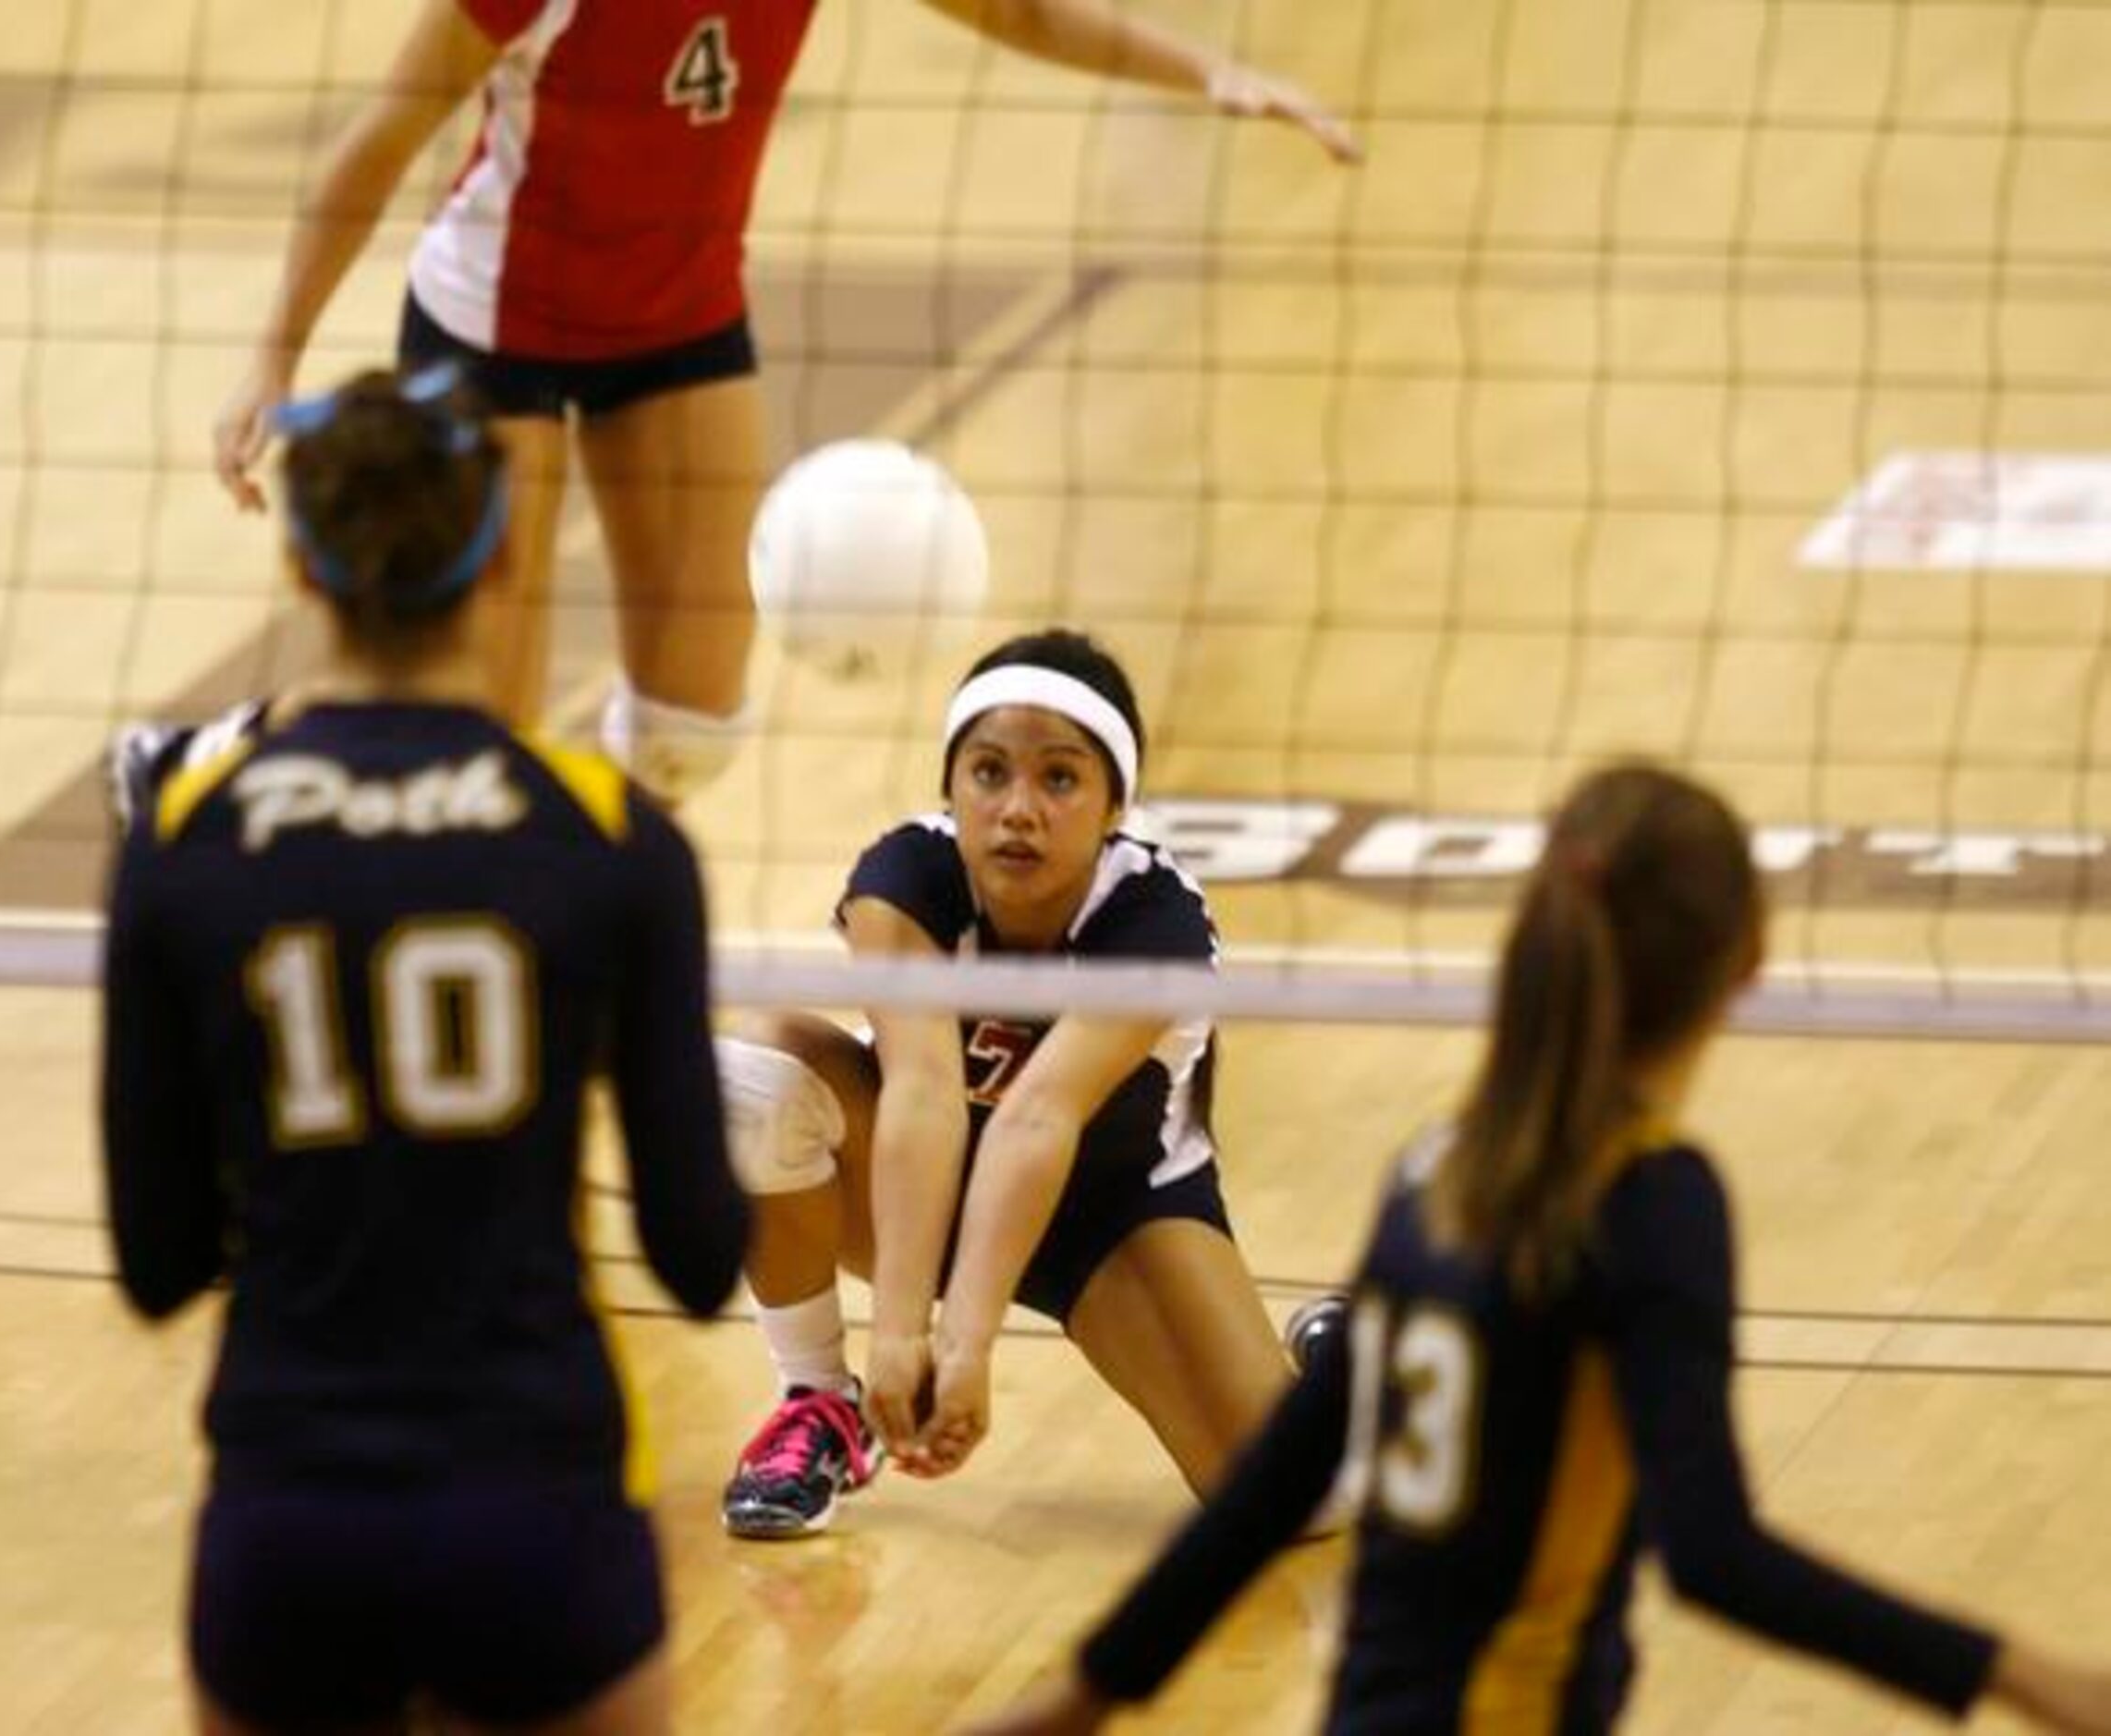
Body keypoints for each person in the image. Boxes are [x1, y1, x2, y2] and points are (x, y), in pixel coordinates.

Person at [962, 762, 2111, 1736]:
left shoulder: (1437, 1165)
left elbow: (1278, 1477)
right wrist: (2019, 1673)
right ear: (1745, 965)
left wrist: (1088, 1688)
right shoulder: (1651, 1201)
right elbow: (1709, 1552)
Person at [210, 0, 1358, 802]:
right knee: (477, 742)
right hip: (489, 332)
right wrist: (273, 356)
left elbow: (1017, 9)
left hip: (675, 322)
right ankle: (255, 792)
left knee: (690, 733)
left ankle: (578, 912)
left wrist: (1206, 72)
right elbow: (377, 143)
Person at [103, 365, 750, 1736]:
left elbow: (158, 1263)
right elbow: (698, 1259)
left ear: (298, 560)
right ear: (507, 549)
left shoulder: (182, 843)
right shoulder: (610, 838)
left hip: (289, 1510)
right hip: (535, 1502)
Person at [717, 628, 1303, 1539]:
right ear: (950, 789)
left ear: (1115, 806)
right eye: (988, 773)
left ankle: (1344, 1374)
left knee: (1283, 1502)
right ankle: (815, 1401)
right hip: (923, 1187)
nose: (1017, 809)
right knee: (756, 1074)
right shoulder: (902, 882)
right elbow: (918, 1094)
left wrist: (966, 1347)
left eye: (1059, 779)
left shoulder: (1154, 923)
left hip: (1108, 1221)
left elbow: (1037, 1117)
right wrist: (899, 1335)